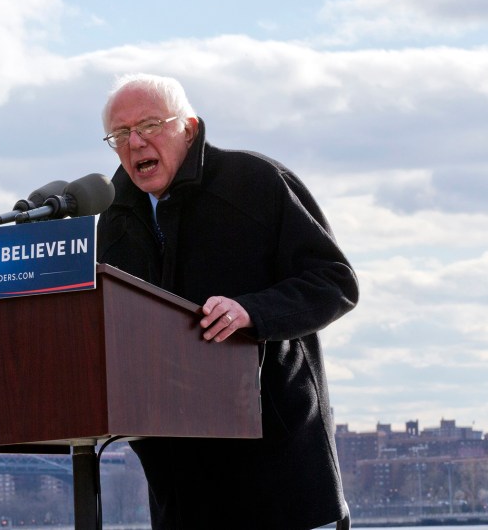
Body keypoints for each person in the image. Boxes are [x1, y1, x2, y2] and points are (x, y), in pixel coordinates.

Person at [96, 74, 358, 530]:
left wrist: (253, 313)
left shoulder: (255, 182)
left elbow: (335, 282)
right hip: (178, 484)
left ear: (189, 128)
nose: (135, 142)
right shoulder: (114, 219)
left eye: (151, 124)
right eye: (120, 134)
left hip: (277, 473)